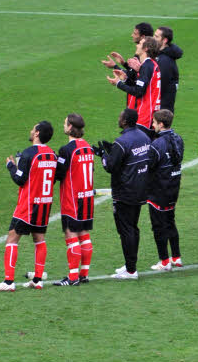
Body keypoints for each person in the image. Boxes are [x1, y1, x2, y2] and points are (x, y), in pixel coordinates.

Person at [0, 121, 58, 292]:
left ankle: (8, 282)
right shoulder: (52, 154)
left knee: (12, 238)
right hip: (44, 204)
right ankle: (37, 279)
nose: (31, 130)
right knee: (39, 239)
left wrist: (11, 166)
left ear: (37, 133)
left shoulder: (29, 153)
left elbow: (20, 179)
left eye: (33, 128)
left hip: (28, 205)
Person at [95, 108, 151, 280]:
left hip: (125, 192)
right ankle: (129, 265)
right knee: (132, 228)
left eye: (120, 116)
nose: (118, 118)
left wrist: (103, 154)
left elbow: (110, 167)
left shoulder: (122, 141)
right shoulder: (144, 136)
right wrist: (110, 151)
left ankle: (131, 270)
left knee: (126, 230)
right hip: (140, 189)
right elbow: (128, 158)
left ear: (125, 121)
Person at [53, 114, 95, 287]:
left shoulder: (66, 150)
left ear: (70, 127)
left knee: (71, 237)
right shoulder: (88, 147)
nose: (64, 126)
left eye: (65, 123)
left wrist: (55, 162)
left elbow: (59, 174)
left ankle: (72, 278)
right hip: (87, 198)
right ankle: (83, 274)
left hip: (72, 198)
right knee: (84, 236)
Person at [145, 108, 184, 273]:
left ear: (161, 124)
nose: (152, 125)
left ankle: (164, 261)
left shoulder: (156, 145)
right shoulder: (178, 139)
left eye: (154, 122)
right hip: (173, 188)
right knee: (170, 222)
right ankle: (176, 257)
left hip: (158, 191)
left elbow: (149, 167)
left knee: (158, 227)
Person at [107, 35, 161, 136]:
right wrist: (126, 79)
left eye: (140, 44)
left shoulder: (146, 66)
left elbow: (139, 91)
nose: (137, 46)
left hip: (144, 116)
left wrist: (118, 84)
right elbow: (141, 86)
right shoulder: (152, 64)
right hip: (149, 113)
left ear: (146, 48)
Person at [155, 26, 183, 114]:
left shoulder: (165, 61)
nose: (153, 38)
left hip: (161, 109)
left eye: (156, 37)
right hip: (159, 106)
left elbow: (160, 86)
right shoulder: (160, 55)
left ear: (164, 40)